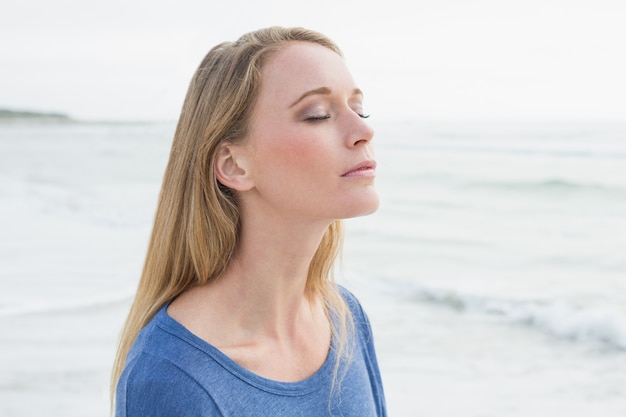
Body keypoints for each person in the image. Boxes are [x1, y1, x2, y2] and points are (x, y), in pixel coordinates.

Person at [111, 26, 387, 416]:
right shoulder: (173, 380)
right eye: (317, 115)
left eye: (359, 109)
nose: (364, 129)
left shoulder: (344, 319)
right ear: (235, 165)